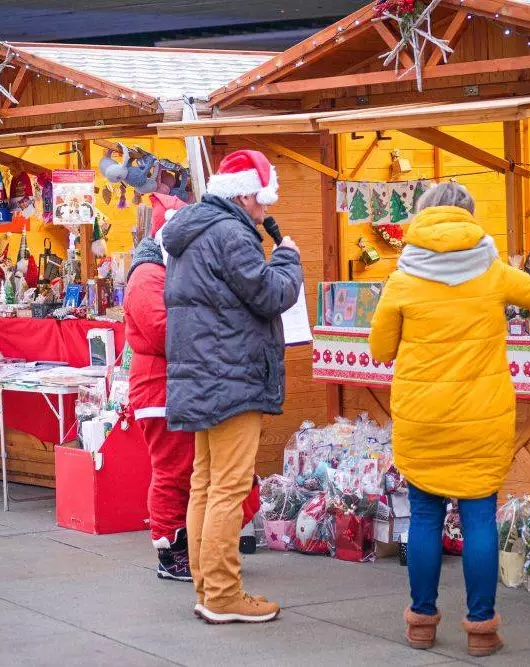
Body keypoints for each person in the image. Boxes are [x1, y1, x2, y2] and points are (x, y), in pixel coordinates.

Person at [369, 182, 530, 657]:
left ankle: (421, 625)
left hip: (423, 418)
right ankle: (481, 630)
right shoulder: (492, 272)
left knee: (425, 517)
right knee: (479, 519)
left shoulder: (403, 278)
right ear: (469, 216)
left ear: (422, 218)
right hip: (480, 417)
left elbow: (380, 349)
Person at [161, 149, 302, 624]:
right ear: (244, 194)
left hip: (202, 375)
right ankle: (222, 593)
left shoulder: (194, 232)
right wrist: (288, 261)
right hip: (232, 376)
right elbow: (268, 294)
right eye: (263, 200)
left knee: (205, 484)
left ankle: (208, 587)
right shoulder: (232, 234)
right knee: (228, 488)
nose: (266, 211)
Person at [124, 192, 195, 582]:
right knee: (172, 471)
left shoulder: (163, 271)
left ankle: (189, 543)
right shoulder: (148, 275)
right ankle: (170, 550)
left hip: (175, 387)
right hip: (158, 390)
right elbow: (161, 331)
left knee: (185, 469)